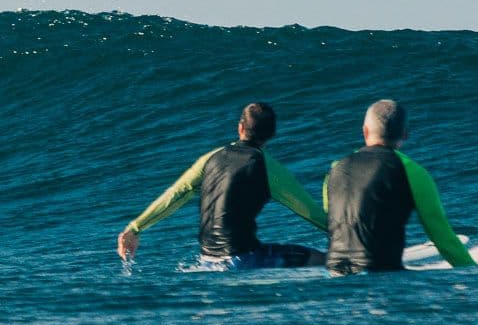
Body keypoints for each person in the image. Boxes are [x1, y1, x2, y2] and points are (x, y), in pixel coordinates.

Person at [117, 101, 330, 267]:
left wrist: (135, 228)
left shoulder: (210, 158)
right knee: (322, 259)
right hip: (244, 259)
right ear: (272, 134)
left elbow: (176, 194)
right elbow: (309, 212)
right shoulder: (269, 168)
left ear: (240, 128)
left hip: (207, 259)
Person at [321, 99, 474, 274]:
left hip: (335, 277)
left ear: (365, 131)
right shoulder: (411, 170)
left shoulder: (335, 169)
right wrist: (475, 274)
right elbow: (442, 237)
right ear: (405, 134)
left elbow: (332, 221)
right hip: (382, 279)